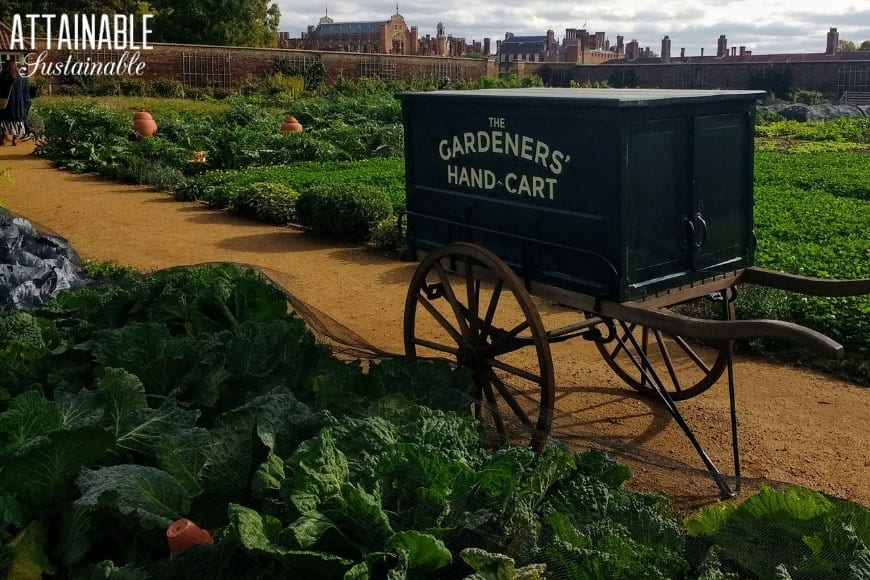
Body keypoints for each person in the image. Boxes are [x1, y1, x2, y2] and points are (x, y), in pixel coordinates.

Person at [0, 60, 31, 146]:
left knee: (4, 121)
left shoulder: (2, 77)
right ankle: (15, 139)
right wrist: (26, 103)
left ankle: (3, 138)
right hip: (18, 105)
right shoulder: (22, 78)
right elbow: (26, 92)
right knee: (18, 121)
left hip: (5, 105)